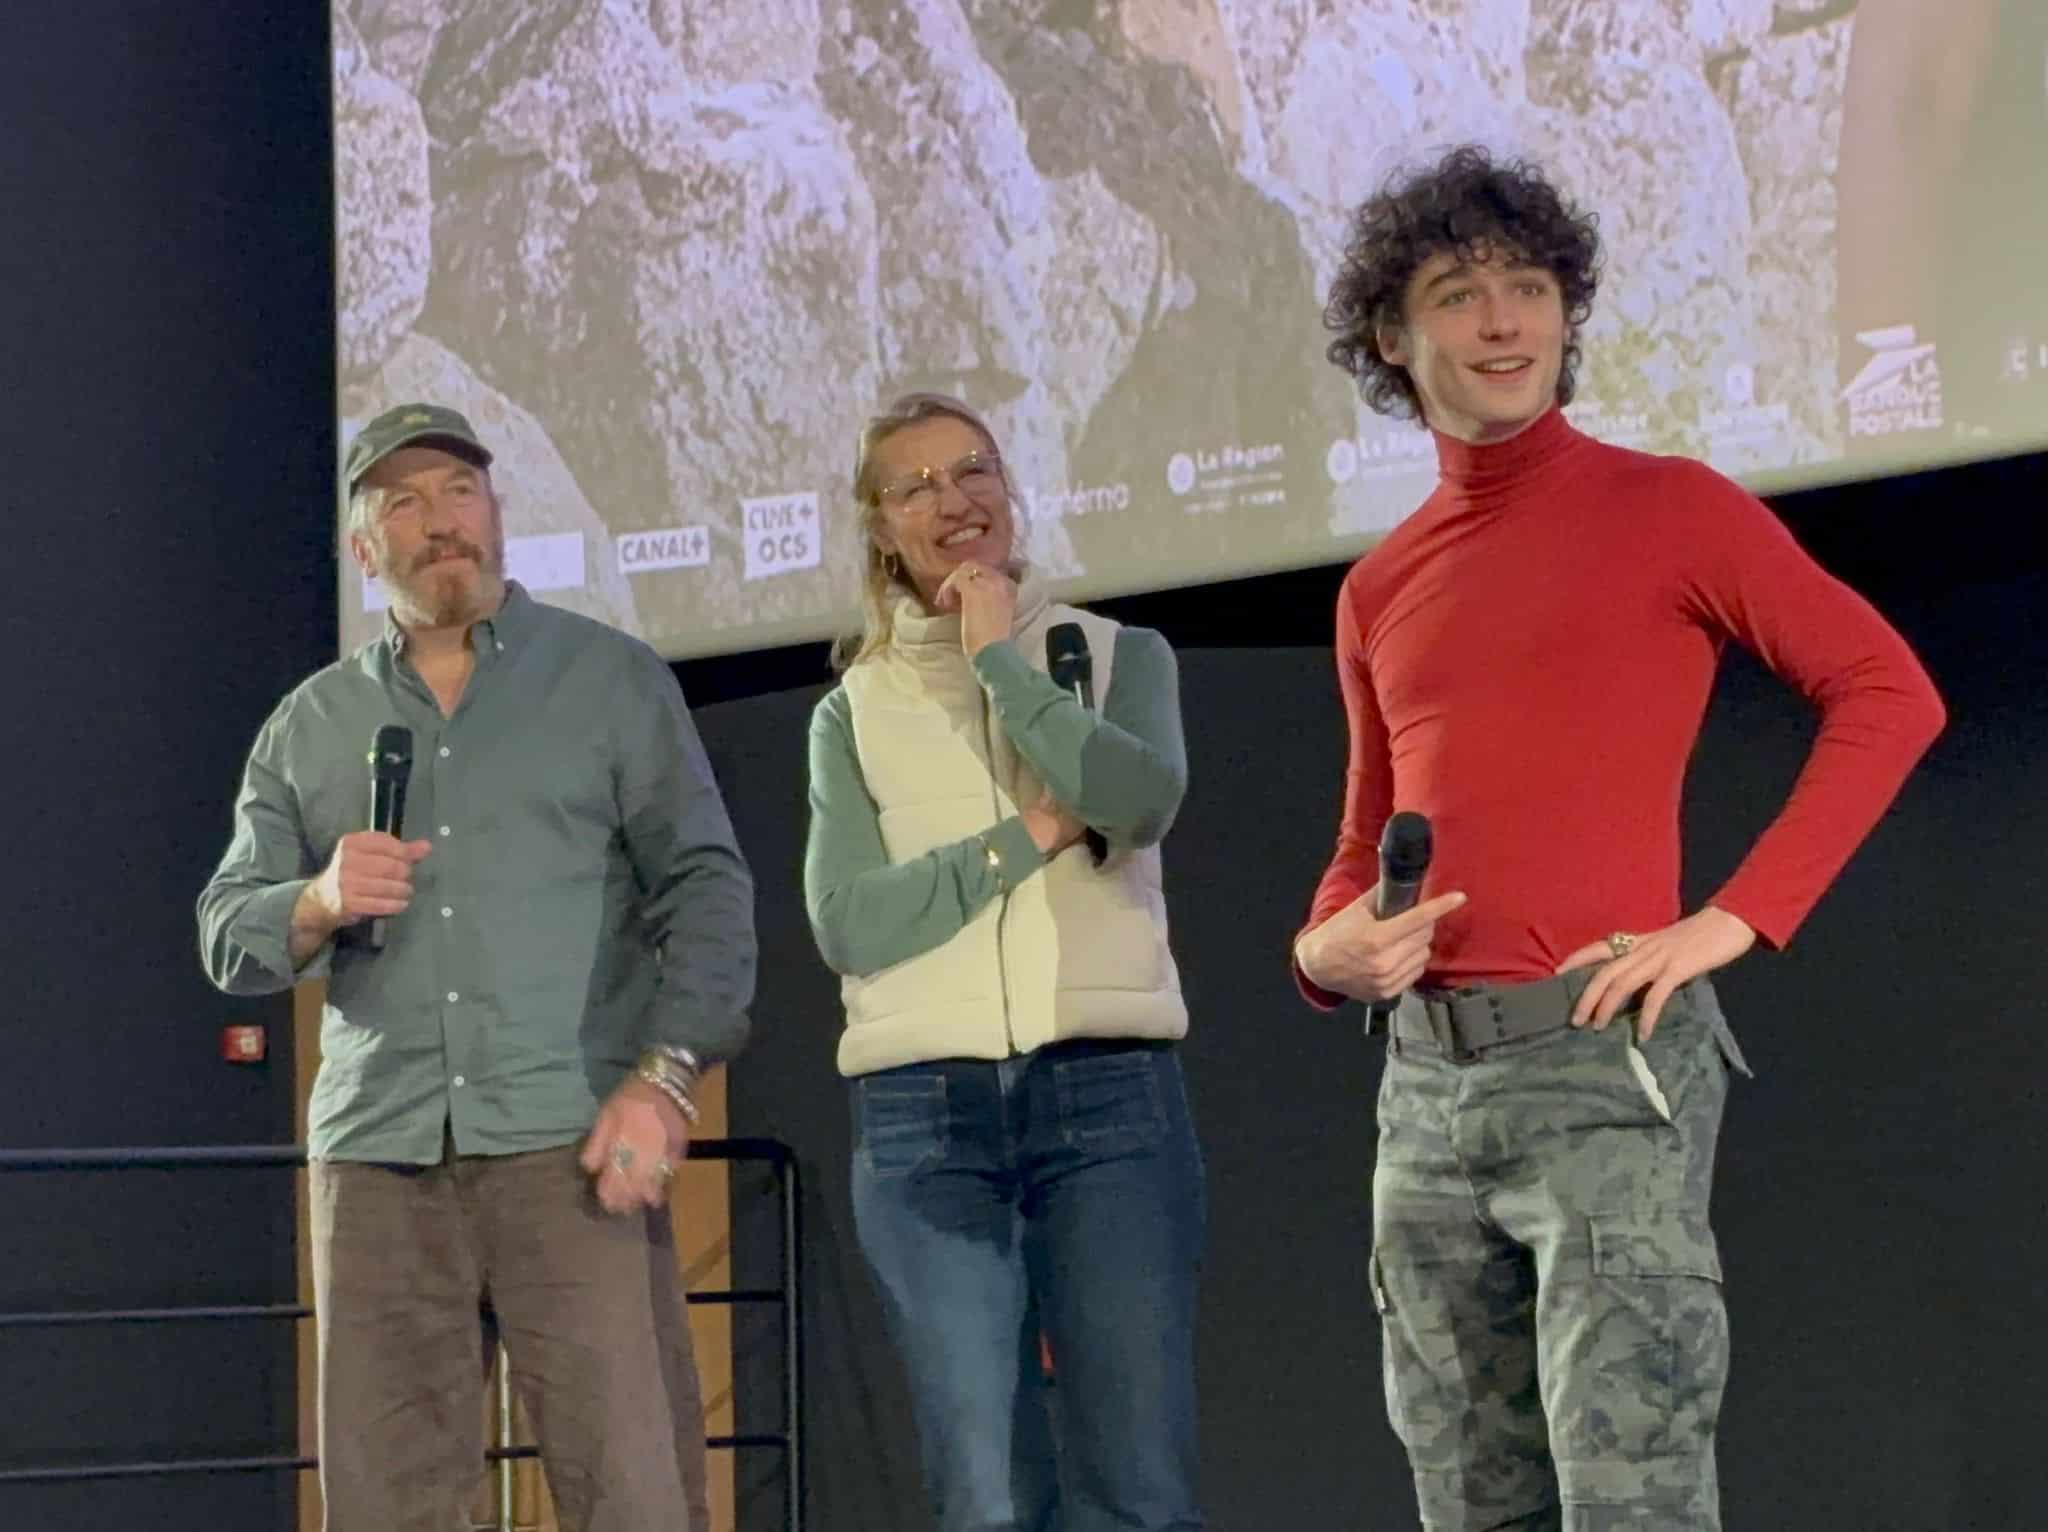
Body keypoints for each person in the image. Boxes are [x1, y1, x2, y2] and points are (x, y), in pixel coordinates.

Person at [1295, 147, 1945, 1530]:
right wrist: (1321, 952)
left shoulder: (1670, 510)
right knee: (1468, 1504)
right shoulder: (1378, 586)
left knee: (1631, 1500)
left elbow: (1888, 692)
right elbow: (1360, 844)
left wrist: (1734, 916)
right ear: (1391, 337)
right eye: (1459, 293)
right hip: (1423, 1091)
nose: (1503, 321)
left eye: (1529, 287)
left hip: (1601, 1057)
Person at [198, 402, 755, 1532]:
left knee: (632, 1492)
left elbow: (706, 887)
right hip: (377, 1158)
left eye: (458, 490)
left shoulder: (609, 680)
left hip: (571, 1141)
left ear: (496, 512)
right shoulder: (309, 723)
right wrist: (316, 899)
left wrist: (665, 1078)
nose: (438, 519)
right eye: (402, 502)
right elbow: (224, 932)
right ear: (365, 549)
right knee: (387, 1504)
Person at [803, 392, 1205, 1532]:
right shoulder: (853, 710)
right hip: (924, 1114)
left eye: (974, 469)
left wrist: (1000, 663)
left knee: (1140, 1486)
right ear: (881, 528)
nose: (955, 500)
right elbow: (849, 922)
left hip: (1108, 1095)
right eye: (917, 486)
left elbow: (1136, 800)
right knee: (986, 1495)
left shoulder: (1120, 655)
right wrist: (1030, 834)